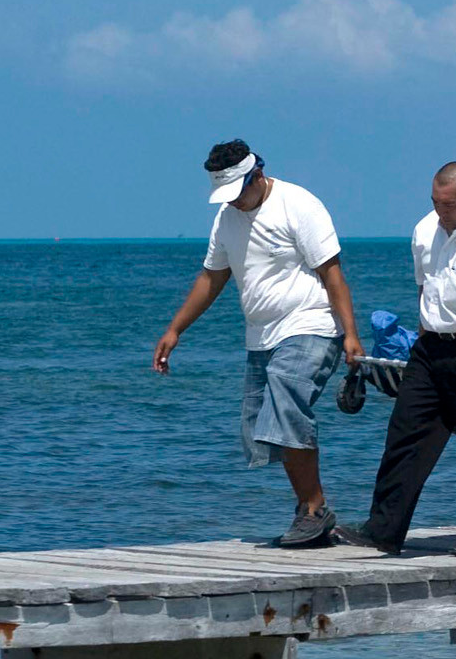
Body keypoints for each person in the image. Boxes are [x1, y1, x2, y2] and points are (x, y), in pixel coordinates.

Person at [153, 141, 365, 548]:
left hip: (312, 324)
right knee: (267, 427)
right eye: (225, 196)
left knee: (286, 403)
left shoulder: (298, 204)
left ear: (257, 175)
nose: (232, 202)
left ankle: (313, 510)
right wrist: (176, 329)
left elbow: (332, 272)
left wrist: (350, 333)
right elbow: (212, 277)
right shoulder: (226, 218)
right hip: (262, 335)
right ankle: (310, 511)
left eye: (238, 192)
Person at [336, 162, 456, 558]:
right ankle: (383, 530)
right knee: (405, 433)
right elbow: (426, 287)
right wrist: (424, 333)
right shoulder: (424, 230)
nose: (441, 212)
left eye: (449, 205)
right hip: (431, 347)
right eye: (435, 202)